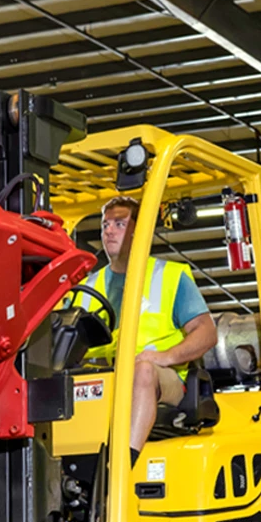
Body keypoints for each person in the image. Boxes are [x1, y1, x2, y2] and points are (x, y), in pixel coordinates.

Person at [65, 196, 217, 465]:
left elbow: (206, 332)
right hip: (103, 379)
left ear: (140, 230)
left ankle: (123, 464)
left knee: (142, 371)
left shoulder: (169, 276)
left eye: (119, 224)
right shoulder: (86, 286)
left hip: (161, 379)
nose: (108, 231)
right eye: (105, 225)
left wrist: (164, 357)